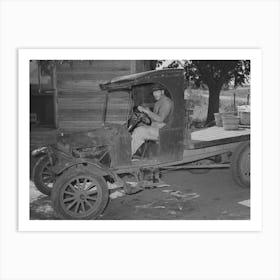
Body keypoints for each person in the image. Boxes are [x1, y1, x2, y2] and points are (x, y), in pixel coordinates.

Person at [131, 89, 173, 156]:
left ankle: (126, 156)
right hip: (158, 127)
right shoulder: (158, 102)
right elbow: (154, 119)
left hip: (165, 130)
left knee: (139, 131)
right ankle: (137, 154)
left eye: (157, 91)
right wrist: (145, 115)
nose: (154, 94)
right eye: (153, 92)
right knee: (138, 126)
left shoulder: (166, 102)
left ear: (162, 91)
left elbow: (160, 119)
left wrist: (146, 111)